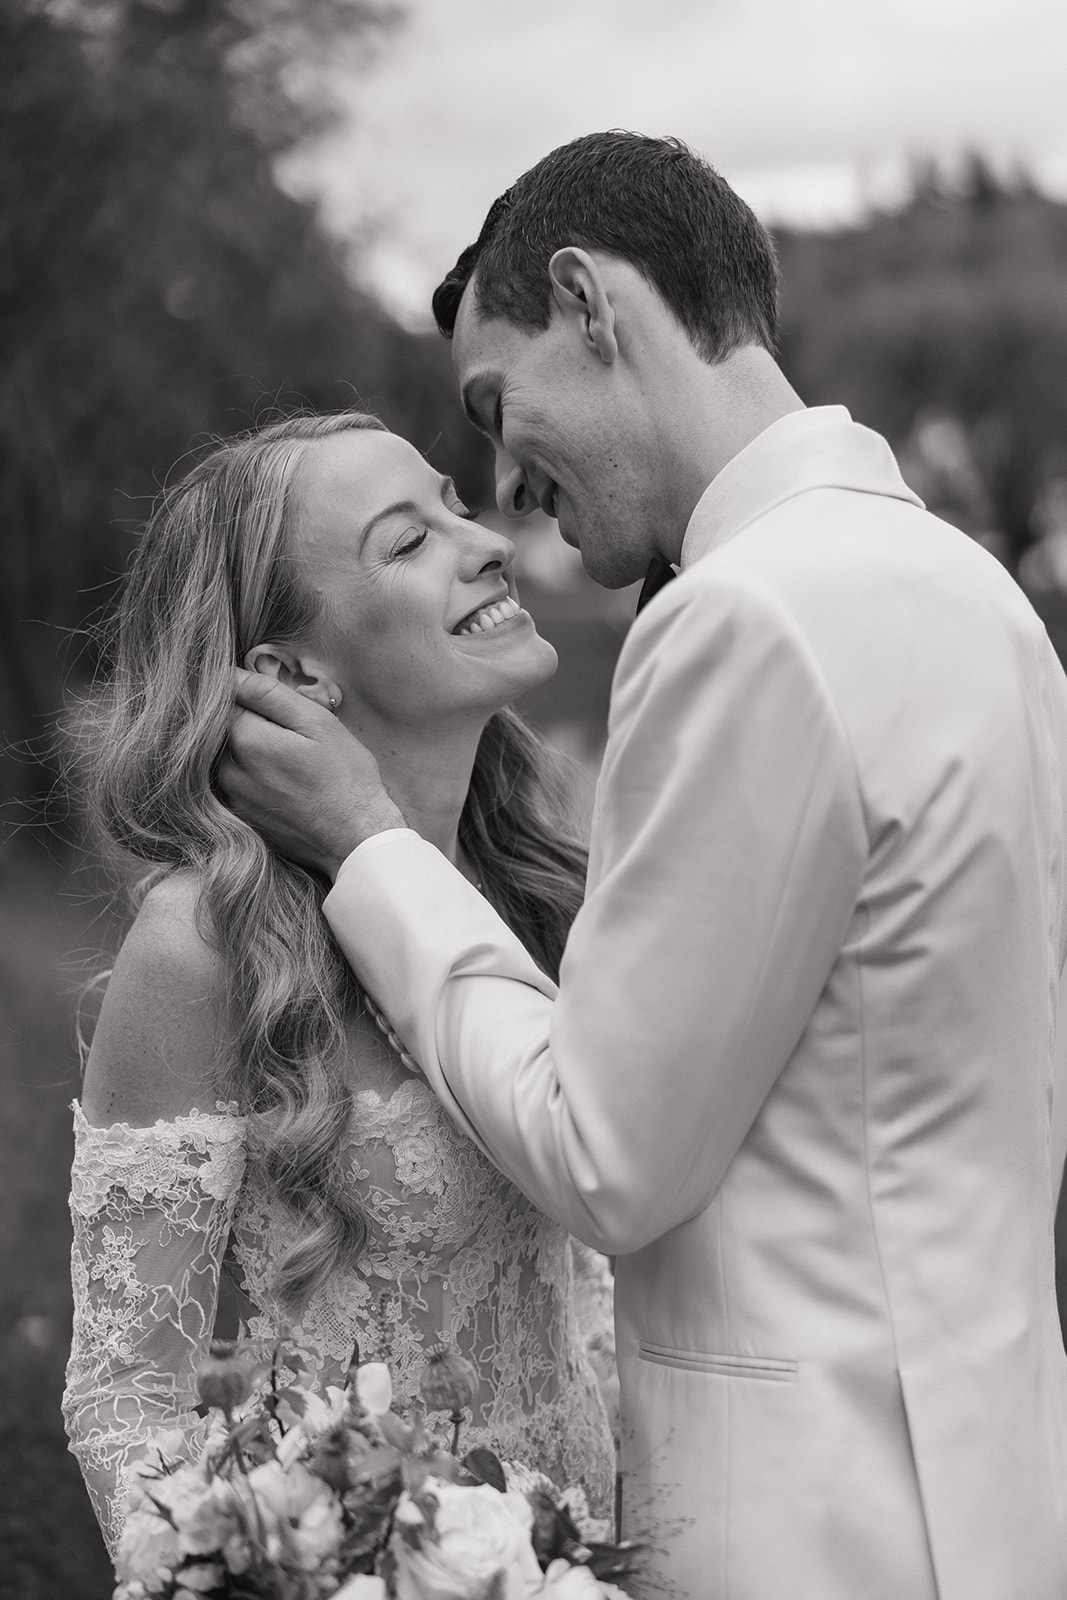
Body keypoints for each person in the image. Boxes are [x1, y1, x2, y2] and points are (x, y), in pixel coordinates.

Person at [221, 133, 1067, 1600]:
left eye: (496, 405)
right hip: (986, 1500)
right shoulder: (975, 596)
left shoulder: (742, 617)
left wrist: (365, 843)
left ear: (589, 304)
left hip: (803, 1532)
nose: (504, 484)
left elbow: (607, 1157)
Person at [61, 410, 617, 1559]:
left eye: (456, 507)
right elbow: (126, 1405)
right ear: (287, 673)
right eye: (405, 542)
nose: (490, 542)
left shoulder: (548, 885)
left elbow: (594, 1290)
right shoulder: (203, 948)